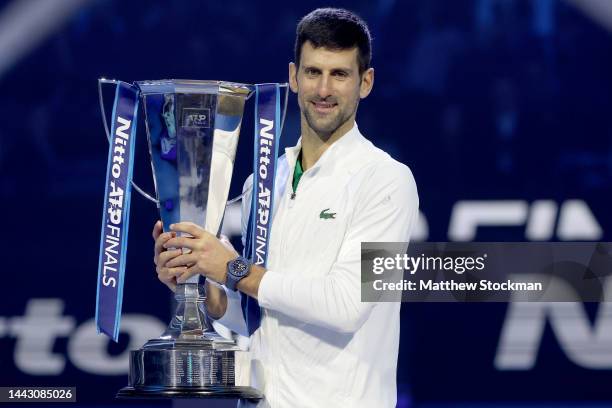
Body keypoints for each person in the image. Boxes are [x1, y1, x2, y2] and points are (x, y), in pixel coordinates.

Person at [153, 8, 419, 408]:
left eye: (339, 74)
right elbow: (265, 314)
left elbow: (347, 305)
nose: (324, 89)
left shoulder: (387, 180)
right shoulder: (263, 181)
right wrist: (207, 290)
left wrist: (231, 268)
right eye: (313, 72)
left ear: (366, 82)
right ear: (293, 77)